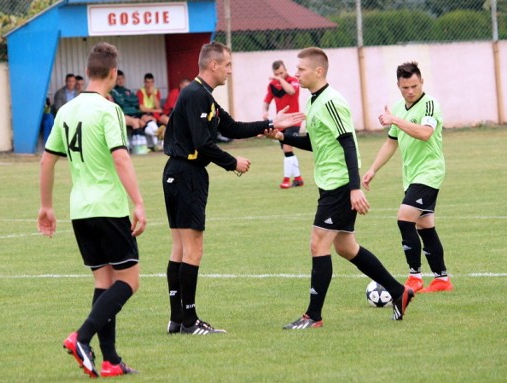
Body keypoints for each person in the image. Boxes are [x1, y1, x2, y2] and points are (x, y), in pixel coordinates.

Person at [264, 47, 414, 329]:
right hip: (330, 185)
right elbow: (316, 143)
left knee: (318, 244)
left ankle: (313, 316)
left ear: (318, 71)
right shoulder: (312, 102)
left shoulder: (332, 101)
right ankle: (399, 291)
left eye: (301, 70)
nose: (296, 74)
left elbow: (348, 143)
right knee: (346, 247)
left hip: (340, 185)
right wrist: (282, 136)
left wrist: (354, 188)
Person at [162, 41, 300, 335]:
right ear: (213, 65)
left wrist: (270, 122)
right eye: (227, 65)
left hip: (176, 173)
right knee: (193, 250)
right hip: (186, 175)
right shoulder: (196, 95)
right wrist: (232, 162)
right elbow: (202, 144)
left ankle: (177, 319)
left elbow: (232, 128)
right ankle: (189, 321)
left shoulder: (203, 96)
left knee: (180, 248)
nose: (230, 71)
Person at [38, 42, 145, 378]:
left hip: (80, 210)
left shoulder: (66, 110)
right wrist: (139, 203)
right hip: (109, 207)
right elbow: (120, 156)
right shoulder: (108, 109)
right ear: (113, 73)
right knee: (129, 281)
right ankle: (81, 337)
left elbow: (47, 159)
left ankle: (111, 360)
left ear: (86, 72)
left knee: (105, 280)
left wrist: (46, 206)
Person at [362, 61, 451, 293]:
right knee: (424, 225)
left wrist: (395, 120)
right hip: (412, 176)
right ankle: (442, 279)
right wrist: (373, 169)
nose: (410, 91)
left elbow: (424, 133)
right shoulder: (398, 108)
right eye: (405, 87)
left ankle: (414, 277)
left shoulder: (430, 104)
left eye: (414, 85)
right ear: (398, 86)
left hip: (430, 172)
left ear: (421, 82)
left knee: (404, 218)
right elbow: (391, 143)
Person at [263, 60, 305, 189]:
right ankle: (298, 179)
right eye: (277, 74)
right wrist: (264, 112)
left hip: (294, 120)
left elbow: (291, 91)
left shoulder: (293, 80)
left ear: (286, 70)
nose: (280, 75)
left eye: (281, 73)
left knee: (287, 148)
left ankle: (286, 180)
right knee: (287, 152)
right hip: (281, 122)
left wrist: (280, 80)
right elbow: (267, 100)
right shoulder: (272, 85)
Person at [111, 70, 160, 151]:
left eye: (122, 78)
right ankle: (139, 147)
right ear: (114, 80)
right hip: (125, 113)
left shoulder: (128, 91)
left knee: (150, 120)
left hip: (135, 112)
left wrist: (127, 100)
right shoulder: (114, 91)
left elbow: (135, 101)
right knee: (137, 122)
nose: (120, 81)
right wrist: (128, 101)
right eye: (118, 79)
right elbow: (121, 102)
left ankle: (157, 145)